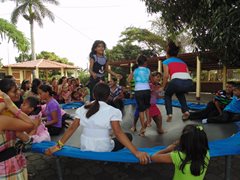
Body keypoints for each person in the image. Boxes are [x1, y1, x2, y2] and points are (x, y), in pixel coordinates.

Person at [45, 83, 150, 165]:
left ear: (93, 95)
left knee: (112, 136)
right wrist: (136, 152)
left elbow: (71, 128)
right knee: (128, 136)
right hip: (104, 148)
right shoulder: (113, 111)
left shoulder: (82, 109)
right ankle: (107, 158)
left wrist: (58, 146)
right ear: (108, 96)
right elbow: (119, 133)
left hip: (85, 146)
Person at [0, 92, 35, 180]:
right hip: (7, 167)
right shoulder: (3, 120)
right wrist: (12, 106)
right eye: (14, 90)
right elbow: (30, 124)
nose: (18, 92)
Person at [161, 40, 193, 122]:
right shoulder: (183, 62)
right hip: (189, 82)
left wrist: (162, 87)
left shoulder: (166, 61)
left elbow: (166, 76)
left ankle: (169, 113)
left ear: (167, 54)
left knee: (167, 95)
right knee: (180, 93)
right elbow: (188, 72)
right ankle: (186, 111)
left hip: (176, 82)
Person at [133, 55, 151, 136]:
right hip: (147, 90)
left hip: (138, 91)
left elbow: (129, 79)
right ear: (145, 63)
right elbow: (151, 79)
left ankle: (143, 127)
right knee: (147, 107)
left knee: (141, 110)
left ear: (138, 63)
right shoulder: (148, 70)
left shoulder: (135, 71)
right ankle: (148, 122)